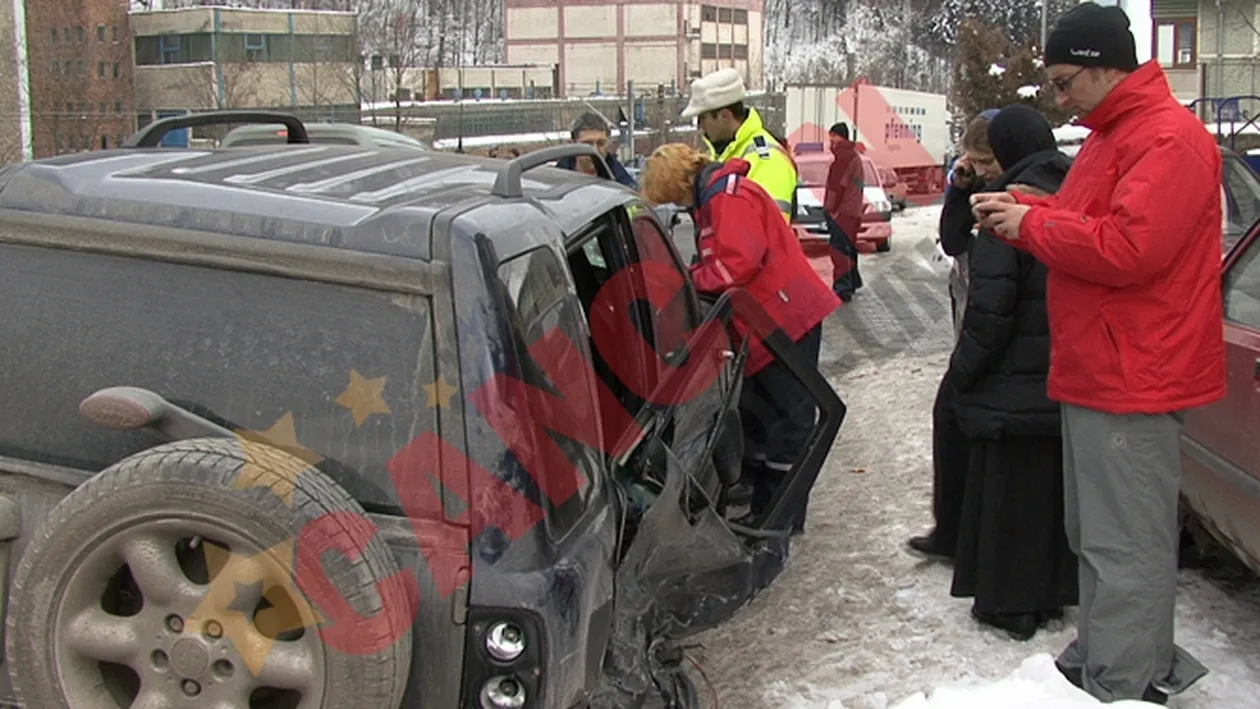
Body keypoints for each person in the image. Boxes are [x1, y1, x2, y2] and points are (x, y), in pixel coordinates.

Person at [970, 3, 1225, 703]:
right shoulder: (1118, 136)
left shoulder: (1166, 140)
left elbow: (1129, 248)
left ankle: (1123, 681)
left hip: (1132, 374)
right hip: (1101, 369)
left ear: (1104, 65)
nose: (1058, 98)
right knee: (1100, 536)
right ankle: (1118, 663)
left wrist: (1033, 222)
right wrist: (1031, 212)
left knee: (1125, 545)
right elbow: (1092, 225)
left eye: (1063, 80)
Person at [640, 143, 840, 534]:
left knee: (791, 418)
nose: (678, 207)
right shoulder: (717, 197)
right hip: (769, 321)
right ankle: (761, 494)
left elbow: (735, 265)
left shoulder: (727, 200)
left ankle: (779, 513)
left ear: (677, 184)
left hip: (786, 320)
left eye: (672, 199)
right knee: (764, 410)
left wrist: (685, 283)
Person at [945, 104, 1078, 641]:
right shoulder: (1071, 190)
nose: (981, 169)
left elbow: (989, 312)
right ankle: (1048, 596)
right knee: (1047, 491)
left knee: (1006, 495)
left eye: (986, 158)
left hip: (1010, 380)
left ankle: (1008, 603)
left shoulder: (1008, 209)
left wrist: (963, 374)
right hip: (1060, 372)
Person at [907, 109, 998, 561]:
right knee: (950, 422)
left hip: (996, 339)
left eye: (983, 161)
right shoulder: (977, 186)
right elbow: (952, 241)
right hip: (972, 328)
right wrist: (959, 190)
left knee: (963, 423)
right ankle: (952, 528)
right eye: (971, 160)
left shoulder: (1015, 193)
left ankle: (968, 534)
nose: (977, 169)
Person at [680, 68, 797, 222]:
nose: (700, 126)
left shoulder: (767, 161)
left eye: (702, 118)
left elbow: (766, 232)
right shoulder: (724, 152)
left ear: (725, 116)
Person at [824, 122, 865, 302]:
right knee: (849, 248)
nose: (830, 141)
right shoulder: (854, 156)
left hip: (842, 211)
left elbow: (836, 187)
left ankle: (842, 288)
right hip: (853, 210)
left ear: (840, 137)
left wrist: (830, 209)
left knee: (839, 250)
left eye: (833, 136)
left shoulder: (843, 157)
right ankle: (853, 281)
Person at [555, 111, 639, 189]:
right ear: (572, 144)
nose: (595, 150)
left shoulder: (623, 183)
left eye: (601, 143)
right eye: (587, 144)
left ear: (609, 143)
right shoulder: (555, 180)